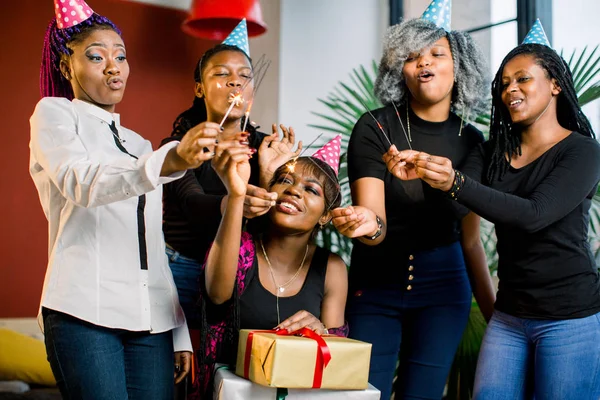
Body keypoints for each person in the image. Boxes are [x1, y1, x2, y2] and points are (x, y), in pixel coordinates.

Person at [29, 1, 246, 398]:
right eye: (96, 56)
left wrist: (178, 330)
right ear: (66, 67)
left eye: (121, 56)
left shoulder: (139, 144)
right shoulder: (54, 114)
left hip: (151, 323)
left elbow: (151, 244)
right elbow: (82, 182)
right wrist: (172, 158)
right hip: (82, 311)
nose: (113, 66)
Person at [388, 22, 600, 399]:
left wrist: (454, 182)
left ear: (555, 84)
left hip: (570, 318)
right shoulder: (490, 152)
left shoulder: (581, 151)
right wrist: (418, 173)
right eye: (503, 83)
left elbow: (534, 213)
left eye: (522, 79)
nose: (510, 90)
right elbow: (455, 209)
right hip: (509, 317)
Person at [330, 1, 496, 398]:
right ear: (397, 70)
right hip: (375, 284)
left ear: (460, 67)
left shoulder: (473, 142)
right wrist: (364, 225)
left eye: (438, 54)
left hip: (446, 290)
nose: (424, 63)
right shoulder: (374, 127)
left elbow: (470, 238)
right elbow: (375, 224)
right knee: (363, 392)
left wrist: (495, 315)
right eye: (411, 57)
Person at [161, 24, 300, 329]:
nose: (235, 81)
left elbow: (273, 225)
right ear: (199, 88)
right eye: (222, 74)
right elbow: (192, 205)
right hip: (182, 269)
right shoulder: (179, 147)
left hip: (244, 271)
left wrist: (266, 174)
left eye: (244, 75)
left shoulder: (268, 147)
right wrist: (235, 201)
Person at [197, 136, 349, 396]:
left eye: (311, 190)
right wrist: (236, 194)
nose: (293, 190)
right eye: (285, 181)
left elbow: (335, 360)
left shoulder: (332, 268)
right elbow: (216, 295)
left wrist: (321, 331)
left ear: (325, 216)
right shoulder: (241, 247)